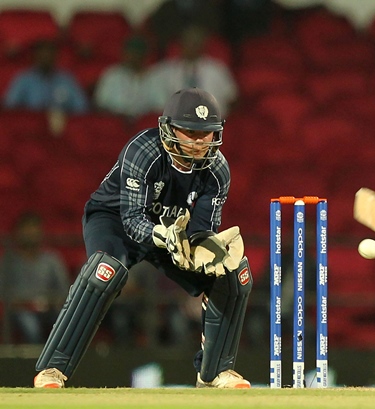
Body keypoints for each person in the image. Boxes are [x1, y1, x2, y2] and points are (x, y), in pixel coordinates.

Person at [33, 87, 253, 389]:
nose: (200, 141)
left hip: (172, 234)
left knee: (233, 275)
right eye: (190, 131)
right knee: (105, 271)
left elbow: (201, 231)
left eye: (207, 133)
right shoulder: (144, 151)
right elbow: (134, 221)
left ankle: (214, 372)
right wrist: (164, 235)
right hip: (115, 221)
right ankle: (52, 370)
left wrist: (204, 247)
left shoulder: (217, 171)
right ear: (169, 128)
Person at [0, 212, 70, 344]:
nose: (30, 234)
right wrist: (20, 303)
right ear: (18, 233)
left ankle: (62, 362)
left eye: (34, 229)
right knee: (31, 327)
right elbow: (3, 291)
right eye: (26, 229)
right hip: (21, 310)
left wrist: (52, 301)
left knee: (66, 323)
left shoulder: (52, 259)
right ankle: (34, 363)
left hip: (49, 307)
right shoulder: (8, 261)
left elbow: (64, 289)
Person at [146, 25, 238, 116]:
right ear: (181, 45)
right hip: (177, 123)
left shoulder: (217, 70)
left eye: (195, 43)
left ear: (202, 45)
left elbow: (232, 99)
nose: (191, 47)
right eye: (188, 42)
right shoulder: (166, 71)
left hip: (211, 123)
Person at [3, 40, 88, 113]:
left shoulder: (67, 79)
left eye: (49, 53)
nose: (46, 57)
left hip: (61, 124)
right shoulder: (23, 79)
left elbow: (81, 107)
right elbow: (10, 106)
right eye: (42, 54)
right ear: (35, 56)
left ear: (56, 56)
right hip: (31, 127)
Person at [93, 36, 154, 119]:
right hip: (116, 121)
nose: (133, 56)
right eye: (131, 52)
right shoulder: (112, 75)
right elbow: (100, 105)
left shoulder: (154, 76)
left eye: (137, 53)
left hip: (144, 122)